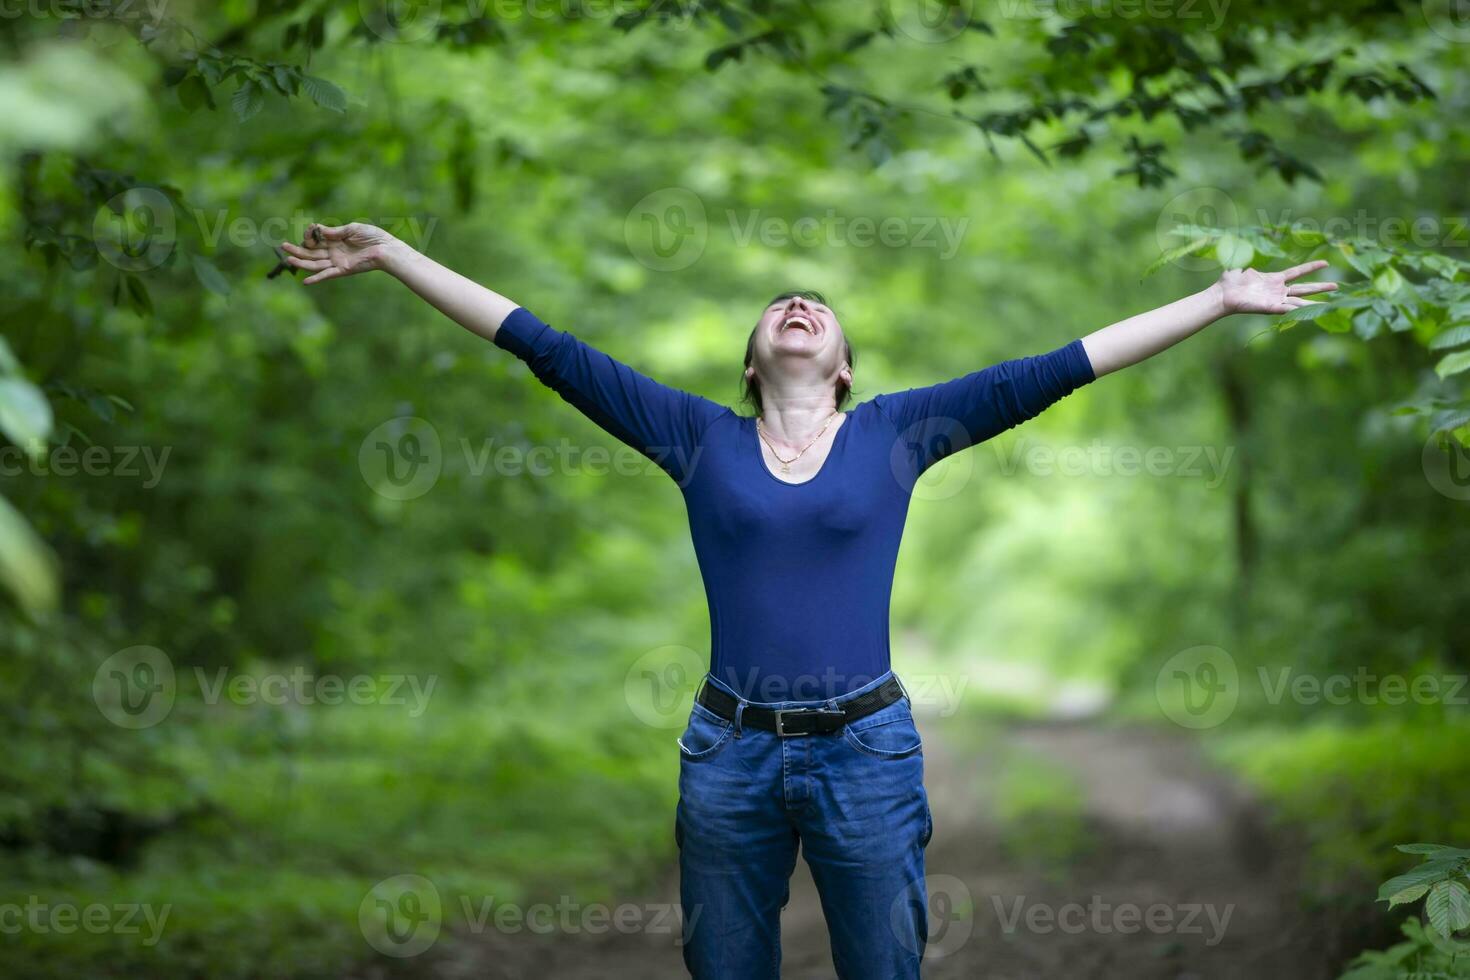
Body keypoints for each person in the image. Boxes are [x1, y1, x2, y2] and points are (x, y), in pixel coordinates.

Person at [281, 223, 1335, 978]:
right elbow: (544, 345)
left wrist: (1216, 300)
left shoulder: (897, 433)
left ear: (842, 365)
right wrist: (393, 256)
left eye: (820, 309)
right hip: (727, 751)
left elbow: (1059, 367)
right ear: (754, 357)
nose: (800, 305)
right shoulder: (698, 437)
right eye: (781, 305)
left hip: (864, 751)